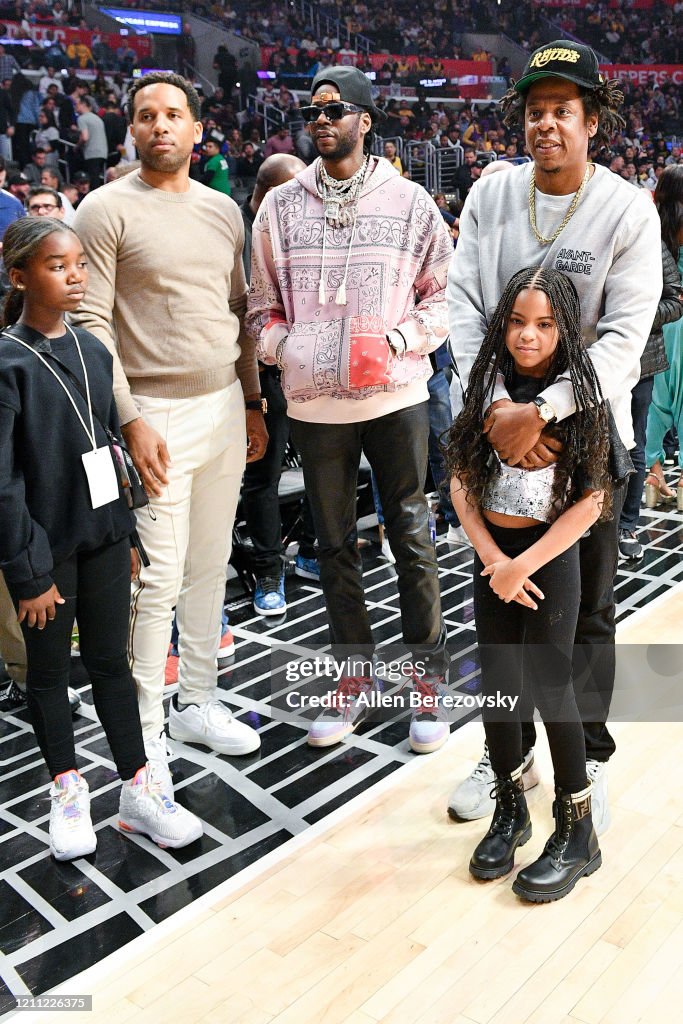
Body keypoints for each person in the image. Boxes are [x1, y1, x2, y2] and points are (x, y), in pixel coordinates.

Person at [446, 41, 662, 832]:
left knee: (585, 614)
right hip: (492, 424)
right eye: (534, 110)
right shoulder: (490, 194)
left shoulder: (625, 207)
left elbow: (623, 335)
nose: (546, 124)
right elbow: (464, 305)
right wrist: (499, 406)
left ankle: (589, 758)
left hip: (588, 433)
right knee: (501, 611)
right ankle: (506, 756)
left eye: (562, 111)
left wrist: (544, 412)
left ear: (591, 122)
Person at [247, 67, 453, 754]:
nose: (322, 120)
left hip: (395, 396)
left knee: (412, 537)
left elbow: (442, 298)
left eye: (335, 109)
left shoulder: (411, 202)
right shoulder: (279, 207)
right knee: (332, 544)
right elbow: (258, 306)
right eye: (313, 111)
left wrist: (396, 341)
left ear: (365, 119)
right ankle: (352, 678)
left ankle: (428, 682)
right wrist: (290, 347)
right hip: (315, 403)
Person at [73, 73, 266, 797]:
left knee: (209, 566)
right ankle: (146, 736)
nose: (161, 125)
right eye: (147, 115)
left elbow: (238, 313)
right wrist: (130, 417)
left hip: (221, 405)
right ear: (130, 130)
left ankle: (199, 703)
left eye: (174, 114)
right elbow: (92, 325)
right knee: (155, 580)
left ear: (195, 130)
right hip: (152, 415)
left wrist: (252, 402)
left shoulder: (223, 211)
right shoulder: (103, 209)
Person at [0, 217, 202, 859]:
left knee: (113, 664)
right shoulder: (8, 361)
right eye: (58, 266)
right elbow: (2, 485)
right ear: (19, 277)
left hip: (106, 539)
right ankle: (66, 789)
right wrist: (28, 574)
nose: (75, 276)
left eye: (80, 264)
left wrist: (127, 533)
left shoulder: (95, 352)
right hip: (45, 551)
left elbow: (109, 452)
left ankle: (138, 789)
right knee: (50, 674)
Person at [447, 266, 610, 901]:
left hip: (548, 563)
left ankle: (577, 830)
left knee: (551, 684)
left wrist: (525, 564)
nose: (528, 335)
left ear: (565, 329)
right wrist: (493, 558)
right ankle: (510, 809)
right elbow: (461, 482)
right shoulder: (486, 394)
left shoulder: (578, 400)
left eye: (544, 324)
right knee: (498, 687)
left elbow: (591, 502)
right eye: (516, 322)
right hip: (494, 563)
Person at [240, 154, 319, 614]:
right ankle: (269, 570)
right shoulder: (242, 236)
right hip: (263, 379)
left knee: (325, 471)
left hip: (309, 373)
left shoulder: (304, 231)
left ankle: (309, 552)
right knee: (263, 478)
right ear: (267, 194)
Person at [619, 215, 683, 556]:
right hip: (592, 359)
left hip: (641, 360)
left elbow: (675, 301)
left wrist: (634, 319)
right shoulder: (593, 239)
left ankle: (627, 526)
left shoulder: (654, 246)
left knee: (635, 442)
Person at [645, 167, 683, 512]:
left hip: (658, 325)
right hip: (680, 319)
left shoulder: (650, 227)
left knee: (658, 401)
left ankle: (654, 473)